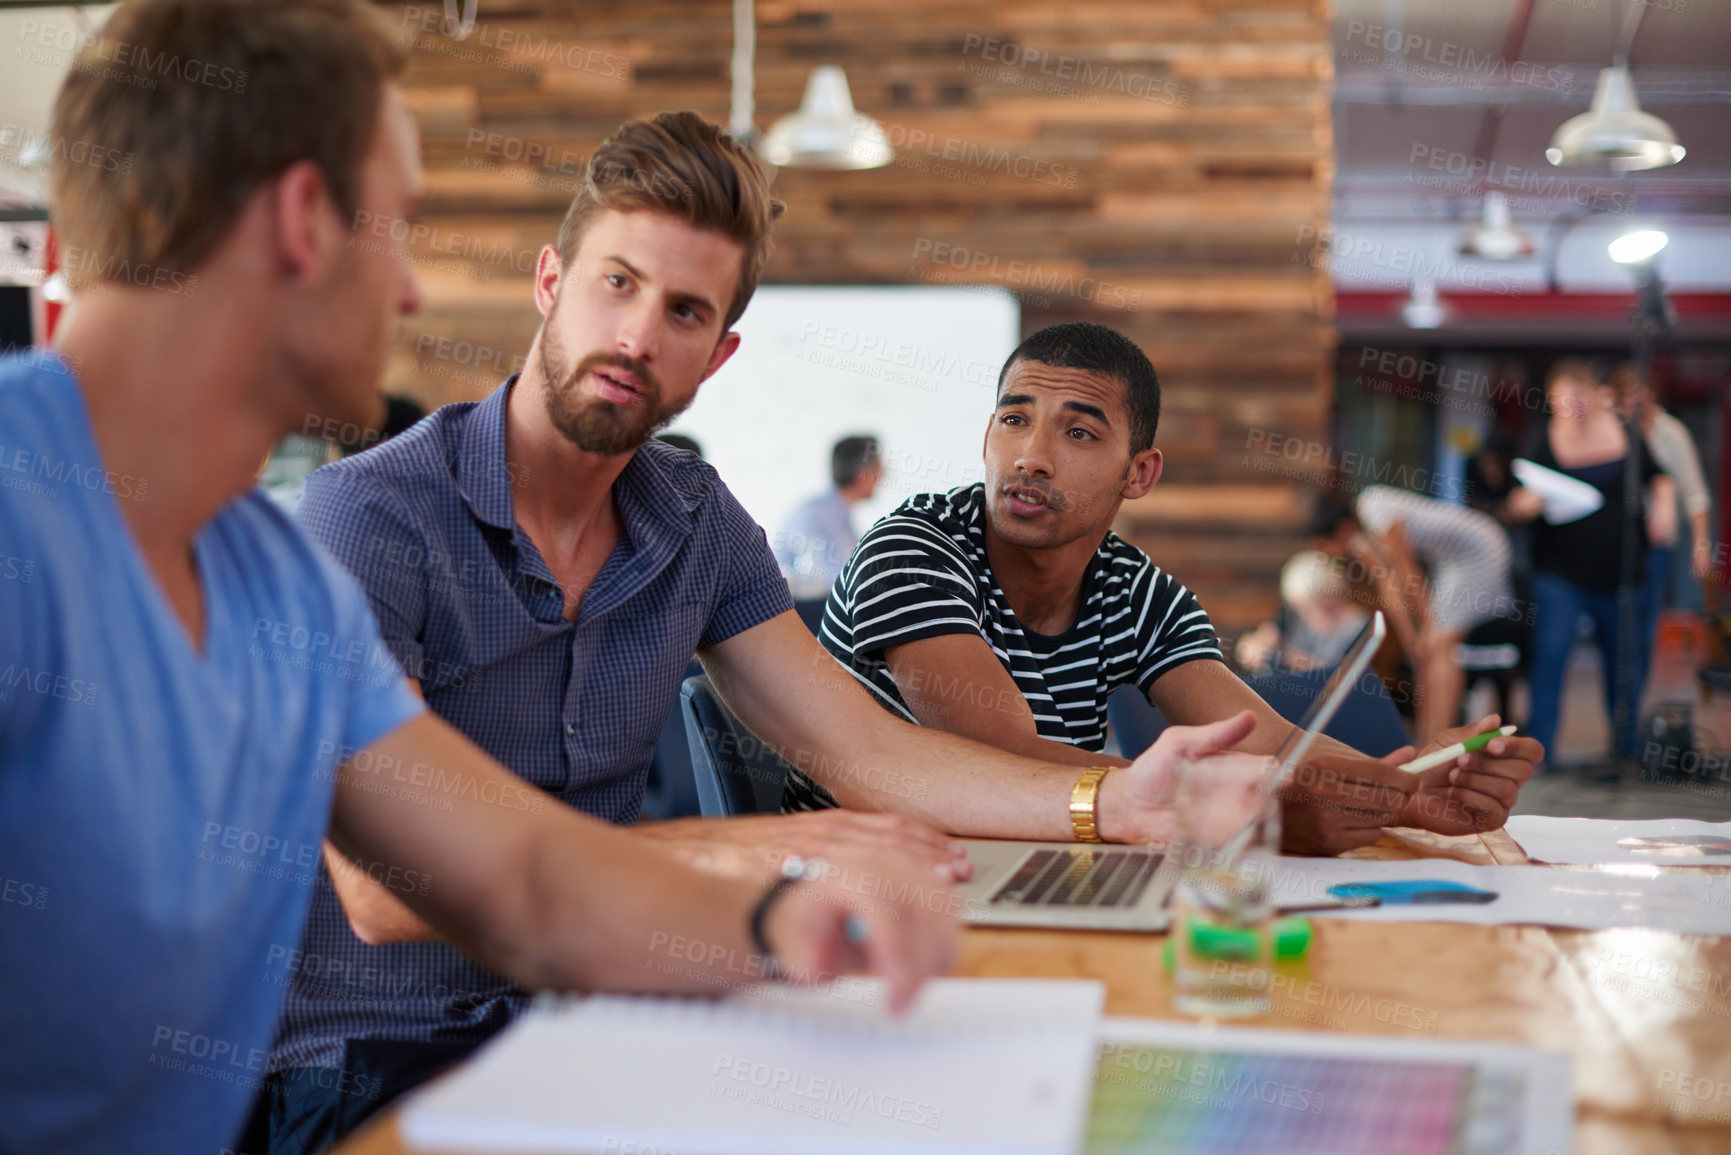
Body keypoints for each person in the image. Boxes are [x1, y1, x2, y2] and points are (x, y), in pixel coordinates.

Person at [0, 7, 960, 1154]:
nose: (409, 292)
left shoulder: (274, 586)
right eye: (398, 226)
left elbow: (521, 881)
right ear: (306, 223)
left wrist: (786, 920)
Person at [258, 112, 1279, 1148]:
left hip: (616, 1020)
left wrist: (1115, 802)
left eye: (686, 311)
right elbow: (390, 892)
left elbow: (868, 751)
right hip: (373, 1061)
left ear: (719, 352)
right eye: (618, 283)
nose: (640, 336)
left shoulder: (694, 518)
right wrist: (749, 849)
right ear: (550, 280)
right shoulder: (371, 514)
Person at [791, 322, 1545, 852]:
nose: (1032, 457)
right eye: (1014, 420)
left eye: (1079, 433)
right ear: (987, 438)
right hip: (864, 878)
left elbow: (1272, 742)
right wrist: (1256, 808)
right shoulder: (913, 546)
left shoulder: (1135, 589)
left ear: (1138, 473)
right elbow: (998, 756)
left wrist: (1409, 788)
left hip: (1035, 861)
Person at [1504, 359, 1676, 766]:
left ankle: (1626, 747)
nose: (1572, 405)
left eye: (1579, 396)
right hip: (1560, 572)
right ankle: (1541, 749)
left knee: (1623, 661)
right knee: (1551, 653)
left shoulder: (1625, 434)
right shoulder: (1540, 440)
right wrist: (1523, 505)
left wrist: (1665, 507)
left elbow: (1660, 476)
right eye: (1562, 399)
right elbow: (1513, 500)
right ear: (1551, 401)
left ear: (1594, 396)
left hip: (1619, 572)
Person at [1310, 486, 1517, 745]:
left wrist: (1429, 625)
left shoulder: (1374, 506)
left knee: (1440, 647)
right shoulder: (1359, 540)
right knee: (1425, 654)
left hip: (1480, 550)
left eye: (1328, 546)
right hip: (1450, 562)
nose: (1332, 555)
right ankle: (1425, 743)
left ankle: (1438, 743)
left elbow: (1407, 572)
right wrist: (1412, 642)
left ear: (1340, 529)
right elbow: (1390, 588)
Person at [1609, 362, 1714, 630]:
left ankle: (1637, 671)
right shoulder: (1611, 430)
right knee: (1616, 615)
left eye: (1643, 392)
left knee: (1645, 615)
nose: (1638, 400)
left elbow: (1695, 493)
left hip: (1656, 541)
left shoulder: (1673, 434)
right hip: (1615, 537)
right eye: (1630, 393)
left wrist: (1701, 545)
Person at [774, 434, 881, 598]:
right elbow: (839, 579)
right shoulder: (818, 515)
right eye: (878, 468)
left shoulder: (839, 513)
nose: (883, 475)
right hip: (800, 609)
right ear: (863, 473)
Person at [1234, 549, 1370, 675]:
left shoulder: (1358, 625)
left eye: (1309, 604)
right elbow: (1259, 640)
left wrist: (1289, 658)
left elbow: (1343, 675)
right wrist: (1253, 647)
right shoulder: (1292, 613)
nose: (1303, 612)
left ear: (1327, 594)